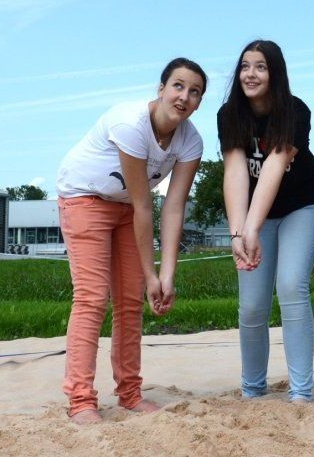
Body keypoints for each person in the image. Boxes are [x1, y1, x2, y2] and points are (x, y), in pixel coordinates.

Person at [55, 58, 206, 424]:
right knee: (92, 297)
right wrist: (149, 271)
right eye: (178, 86)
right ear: (161, 89)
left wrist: (165, 275)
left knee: (129, 301)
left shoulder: (191, 141)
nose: (185, 96)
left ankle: (130, 393)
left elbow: (173, 208)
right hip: (85, 198)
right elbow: (144, 205)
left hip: (125, 208)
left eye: (195, 91)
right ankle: (80, 399)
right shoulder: (130, 124)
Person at [218, 39, 314, 402]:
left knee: (292, 286)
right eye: (245, 66)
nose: (251, 73)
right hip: (253, 213)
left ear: (275, 73)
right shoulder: (229, 114)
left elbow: (275, 166)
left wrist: (251, 228)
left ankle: (301, 392)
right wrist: (239, 232)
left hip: (302, 206)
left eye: (260, 66)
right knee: (252, 305)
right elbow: (235, 172)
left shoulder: (294, 111)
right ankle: (252, 389)